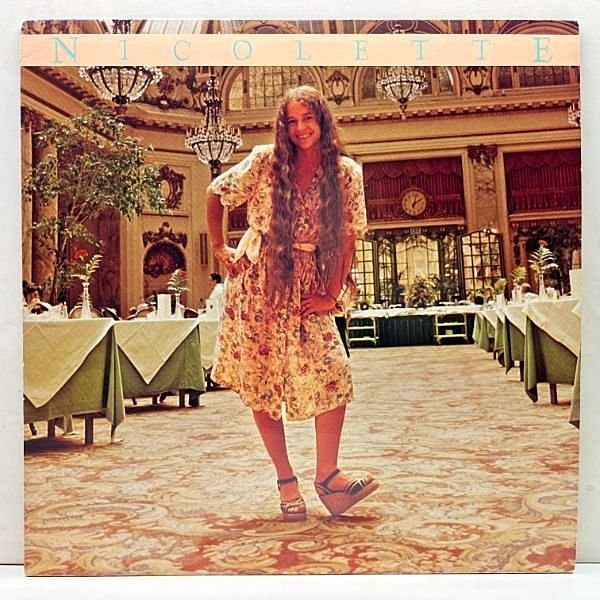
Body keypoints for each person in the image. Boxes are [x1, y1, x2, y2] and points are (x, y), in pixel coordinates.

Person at [206, 85, 378, 522]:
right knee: (262, 380)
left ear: (323, 121)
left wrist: (331, 294)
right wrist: (219, 247)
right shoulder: (265, 160)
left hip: (306, 280)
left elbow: (348, 240)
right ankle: (286, 481)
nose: (300, 128)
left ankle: (328, 477)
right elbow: (216, 193)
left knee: (333, 371)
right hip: (258, 281)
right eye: (291, 121)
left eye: (308, 118)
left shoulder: (346, 173)